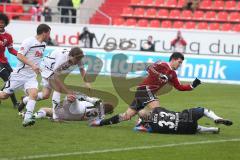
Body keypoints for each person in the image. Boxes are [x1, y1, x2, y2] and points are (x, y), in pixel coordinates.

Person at [90, 52, 201, 127]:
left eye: (181, 63)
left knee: (127, 116)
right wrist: (159, 75)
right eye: (179, 62)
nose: (180, 65)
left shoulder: (172, 74)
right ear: (173, 60)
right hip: (145, 89)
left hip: (145, 93)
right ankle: (142, 122)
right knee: (158, 110)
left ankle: (100, 123)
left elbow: (179, 87)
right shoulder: (162, 64)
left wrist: (193, 85)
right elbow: (149, 67)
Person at [0, 23, 51, 127]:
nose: (50, 35)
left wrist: (38, 68)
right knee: (4, 96)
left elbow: (36, 59)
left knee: (34, 93)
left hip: (31, 76)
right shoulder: (29, 41)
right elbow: (19, 55)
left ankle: (27, 118)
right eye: (49, 33)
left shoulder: (44, 45)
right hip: (19, 75)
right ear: (44, 33)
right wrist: (32, 65)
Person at [18, 47, 91, 114]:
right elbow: (56, 77)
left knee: (45, 95)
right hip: (47, 68)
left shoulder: (79, 57)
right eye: (75, 61)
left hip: (53, 69)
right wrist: (67, 92)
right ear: (70, 56)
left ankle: (25, 100)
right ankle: (56, 115)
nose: (76, 63)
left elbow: (82, 69)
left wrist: (87, 83)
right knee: (58, 88)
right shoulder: (62, 58)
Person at [134, 106, 233, 134]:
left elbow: (137, 128)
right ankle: (217, 118)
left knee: (195, 128)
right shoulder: (157, 110)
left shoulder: (153, 128)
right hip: (185, 116)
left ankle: (212, 129)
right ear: (148, 111)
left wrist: (140, 122)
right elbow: (158, 110)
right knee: (202, 110)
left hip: (184, 128)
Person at [30, 93, 114, 122]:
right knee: (47, 110)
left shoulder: (98, 105)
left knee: (73, 95)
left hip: (76, 110)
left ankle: (33, 116)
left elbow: (85, 116)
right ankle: (34, 116)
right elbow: (86, 118)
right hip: (73, 116)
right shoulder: (101, 116)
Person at [0, 13, 19, 108]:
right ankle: (15, 103)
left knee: (12, 80)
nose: (0, 24)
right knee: (9, 80)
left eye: (2, 22)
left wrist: (20, 54)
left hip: (3, 61)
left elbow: (11, 49)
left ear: (5, 23)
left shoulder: (8, 36)